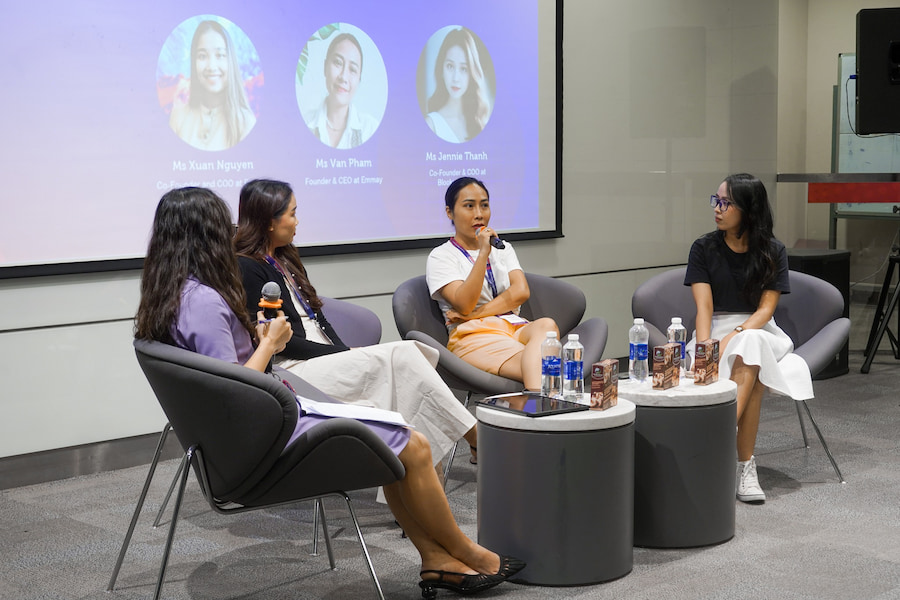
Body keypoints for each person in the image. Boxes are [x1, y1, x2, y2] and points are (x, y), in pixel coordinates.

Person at [135, 187, 524, 597]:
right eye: (222, 226)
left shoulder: (174, 296)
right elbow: (235, 392)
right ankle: (468, 550)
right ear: (206, 236)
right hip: (267, 431)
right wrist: (269, 344)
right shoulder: (207, 303)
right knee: (412, 443)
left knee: (403, 434)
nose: (232, 233)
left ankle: (438, 560)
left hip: (262, 421)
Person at [233, 179, 479, 471]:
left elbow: (318, 318)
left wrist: (343, 352)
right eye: (292, 213)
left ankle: (415, 473)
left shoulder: (286, 258)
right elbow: (280, 343)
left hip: (325, 360)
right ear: (269, 221)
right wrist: (343, 353)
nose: (298, 222)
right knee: (404, 355)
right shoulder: (248, 267)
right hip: (293, 370)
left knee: (407, 366)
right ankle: (476, 437)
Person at [684, 173, 814, 504]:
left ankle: (719, 434)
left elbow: (765, 311)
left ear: (748, 209)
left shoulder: (773, 250)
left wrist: (734, 336)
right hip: (715, 327)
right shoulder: (703, 247)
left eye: (726, 203)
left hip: (759, 329)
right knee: (753, 379)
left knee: (751, 344)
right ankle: (744, 466)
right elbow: (704, 308)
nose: (717, 208)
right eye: (716, 201)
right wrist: (706, 349)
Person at [426, 177, 558, 391]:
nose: (479, 214)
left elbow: (521, 292)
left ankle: (538, 401)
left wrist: (474, 314)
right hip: (473, 335)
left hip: (513, 326)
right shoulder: (441, 256)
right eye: (469, 206)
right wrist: (482, 254)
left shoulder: (503, 248)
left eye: (484, 205)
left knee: (547, 325)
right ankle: (540, 401)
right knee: (547, 367)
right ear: (449, 212)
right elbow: (464, 304)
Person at [169, 20, 257, 151]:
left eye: (220, 55)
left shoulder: (246, 123)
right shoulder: (178, 118)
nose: (211, 66)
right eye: (202, 56)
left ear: (231, 61)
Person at [305, 32, 379, 149]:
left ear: (359, 80)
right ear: (325, 67)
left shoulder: (371, 129)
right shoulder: (304, 122)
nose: (343, 77)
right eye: (338, 63)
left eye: (352, 69)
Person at [425, 28, 492, 143]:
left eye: (464, 69)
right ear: (441, 70)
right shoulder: (432, 124)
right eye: (450, 66)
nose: (455, 78)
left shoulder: (481, 122)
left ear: (472, 74)